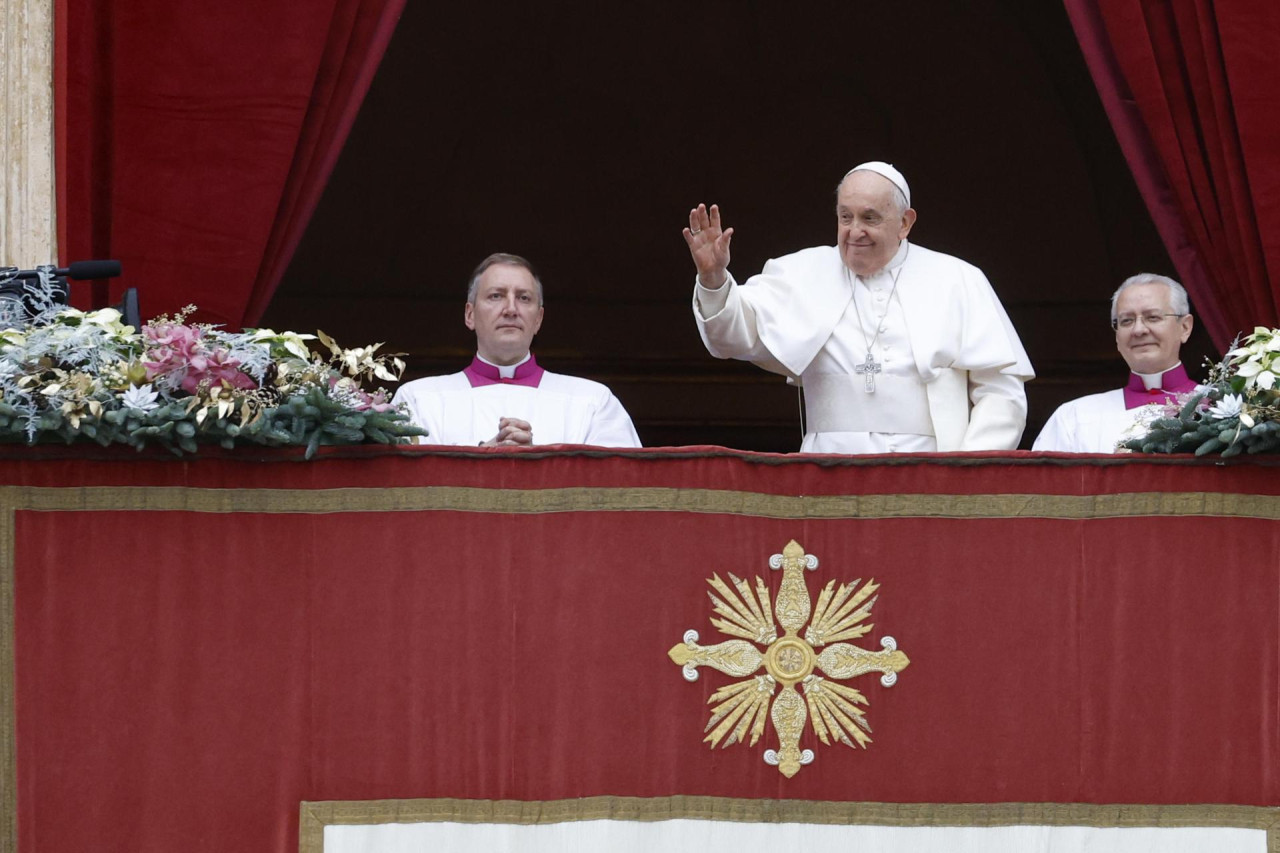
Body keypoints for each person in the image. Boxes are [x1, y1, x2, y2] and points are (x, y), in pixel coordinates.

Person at [684, 161, 1033, 453]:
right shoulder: (800, 273)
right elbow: (731, 337)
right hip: (826, 475)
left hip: (929, 479)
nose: (854, 231)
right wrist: (714, 278)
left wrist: (966, 473)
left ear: (905, 222)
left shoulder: (958, 279)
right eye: (845, 217)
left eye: (870, 218)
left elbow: (1002, 393)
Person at [393, 253, 641, 447]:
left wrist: (537, 465)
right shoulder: (418, 401)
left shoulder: (593, 402)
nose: (511, 309)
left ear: (539, 319)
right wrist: (479, 460)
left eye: (524, 298)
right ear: (470, 314)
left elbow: (621, 492)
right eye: (496, 296)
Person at [1033, 273, 1196, 453]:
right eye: (1126, 321)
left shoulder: (1222, 407)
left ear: (1185, 327)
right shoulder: (1074, 417)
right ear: (1117, 336)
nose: (1139, 330)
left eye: (1153, 317)